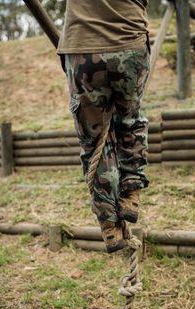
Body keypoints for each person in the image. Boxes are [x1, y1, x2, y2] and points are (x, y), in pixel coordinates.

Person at [57, 0, 150, 253]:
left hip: (83, 46)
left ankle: (109, 223)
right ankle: (130, 196)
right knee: (130, 122)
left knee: (94, 139)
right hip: (129, 41)